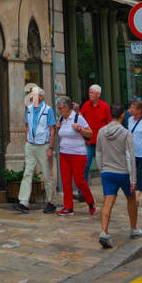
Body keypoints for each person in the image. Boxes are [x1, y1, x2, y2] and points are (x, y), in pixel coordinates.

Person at [95, 102, 141, 248]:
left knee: (107, 201)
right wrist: (133, 178)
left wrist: (102, 169)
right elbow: (130, 156)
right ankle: (133, 228)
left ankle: (104, 231)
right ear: (122, 115)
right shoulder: (126, 133)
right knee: (131, 199)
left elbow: (99, 153)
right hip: (123, 172)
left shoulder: (101, 132)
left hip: (107, 171)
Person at [17, 85, 57, 214]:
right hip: (31, 145)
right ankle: (23, 202)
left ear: (40, 96)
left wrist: (51, 147)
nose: (31, 97)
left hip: (44, 145)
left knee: (47, 174)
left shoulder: (48, 110)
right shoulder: (29, 109)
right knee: (27, 173)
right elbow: (27, 125)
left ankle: (52, 202)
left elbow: (52, 130)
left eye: (33, 95)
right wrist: (27, 141)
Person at [54, 95, 95, 215]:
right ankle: (68, 207)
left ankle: (90, 202)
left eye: (60, 108)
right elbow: (61, 133)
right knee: (66, 181)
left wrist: (80, 130)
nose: (59, 110)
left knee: (79, 180)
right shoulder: (61, 119)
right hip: (64, 153)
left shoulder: (78, 118)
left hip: (78, 154)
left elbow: (90, 133)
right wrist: (57, 128)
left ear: (67, 107)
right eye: (58, 108)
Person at [79, 84, 111, 187]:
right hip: (88, 141)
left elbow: (110, 123)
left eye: (92, 92)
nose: (90, 94)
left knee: (104, 166)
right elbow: (79, 117)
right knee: (85, 166)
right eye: (89, 92)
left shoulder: (105, 106)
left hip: (101, 142)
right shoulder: (86, 105)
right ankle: (83, 191)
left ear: (98, 94)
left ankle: (107, 187)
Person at [126, 98, 142, 207]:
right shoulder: (130, 120)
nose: (130, 109)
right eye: (130, 107)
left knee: (140, 172)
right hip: (134, 152)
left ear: (139, 110)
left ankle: (136, 196)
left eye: (133, 107)